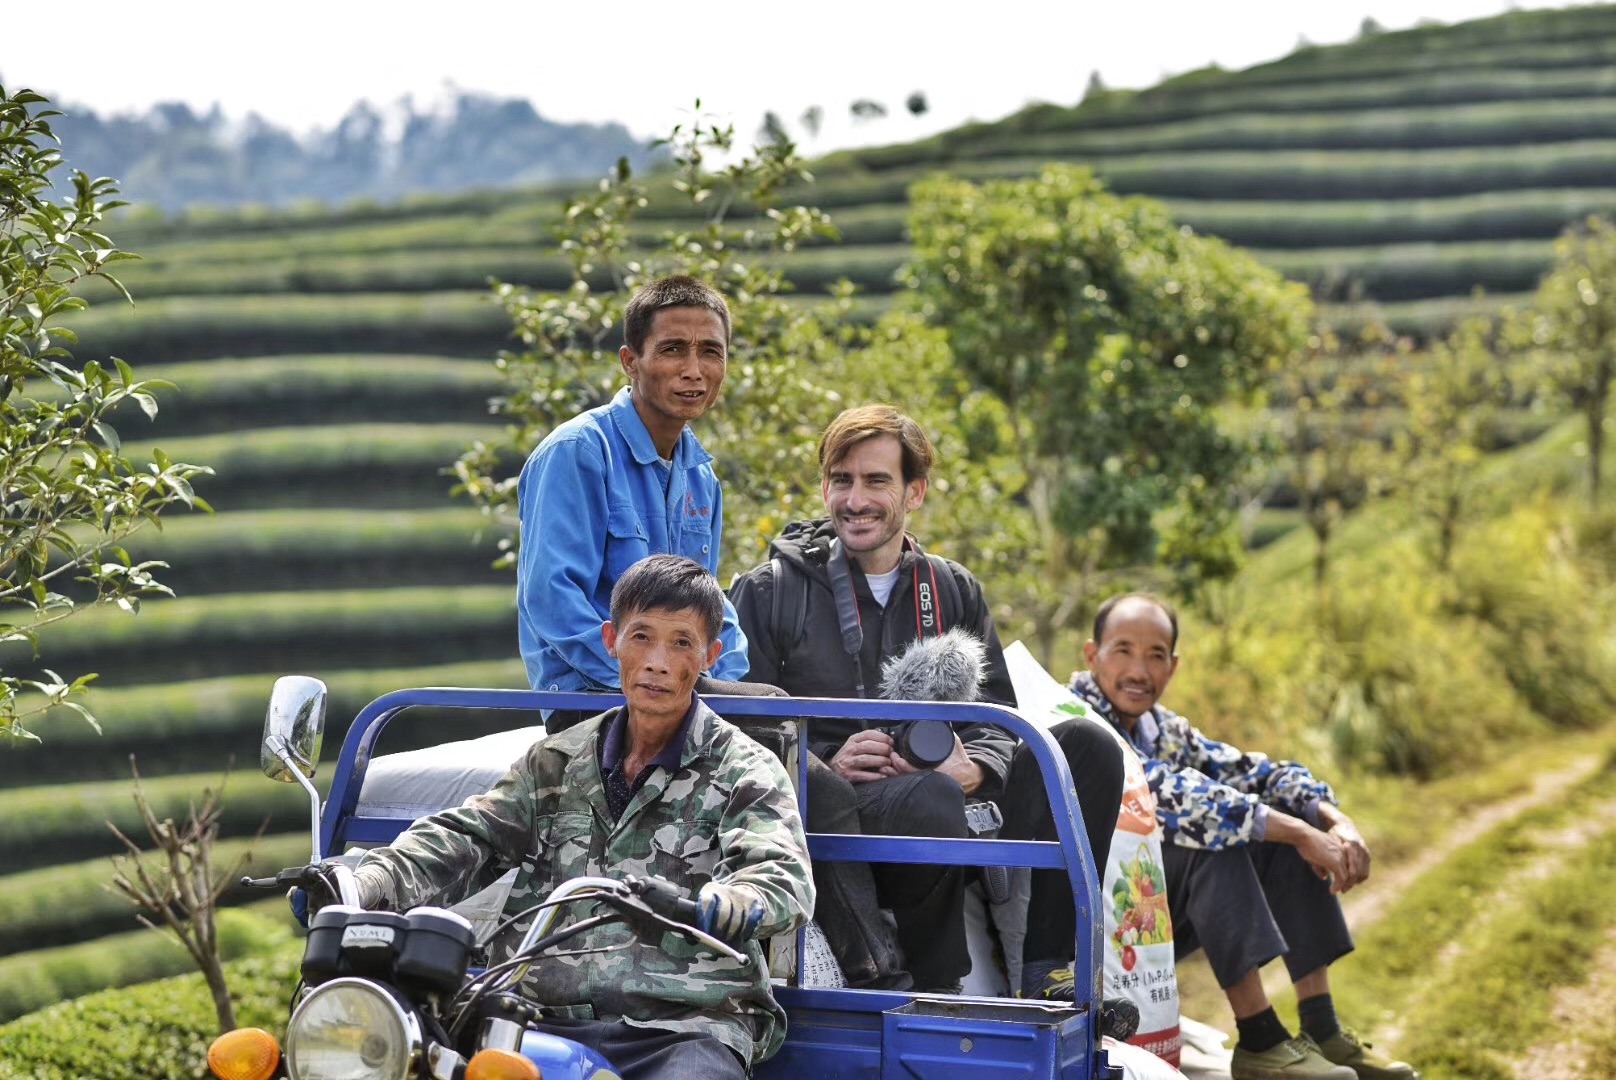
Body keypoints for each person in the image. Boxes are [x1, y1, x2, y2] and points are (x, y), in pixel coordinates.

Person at [352, 555, 814, 1080]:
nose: (657, 661)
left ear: (709, 656)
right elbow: (465, 835)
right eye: (641, 636)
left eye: (681, 642)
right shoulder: (554, 760)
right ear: (611, 640)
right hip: (537, 1022)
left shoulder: (745, 767)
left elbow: (783, 876)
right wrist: (366, 880)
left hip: (685, 1027)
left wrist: (729, 901)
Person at [731, 404, 1123, 997]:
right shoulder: (770, 590)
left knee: (1088, 746)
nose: (855, 499)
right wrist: (825, 763)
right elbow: (743, 727)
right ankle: (938, 986)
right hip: (836, 814)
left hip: (954, 806)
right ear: (823, 487)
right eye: (842, 480)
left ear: (914, 492)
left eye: (876, 481)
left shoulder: (951, 587)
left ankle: (1049, 969)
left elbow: (1000, 718)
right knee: (928, 794)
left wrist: (977, 767)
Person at [1071, 592, 1414, 1080]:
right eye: (1123, 650)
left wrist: (1332, 818)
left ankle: (1323, 1028)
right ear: (1092, 655)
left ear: (1173, 665)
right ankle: (1260, 1040)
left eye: (1155, 655)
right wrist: (1297, 831)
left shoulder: (1159, 726)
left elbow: (1253, 773)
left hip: (1144, 913)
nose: (1139, 670)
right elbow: (1165, 791)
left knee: (1282, 829)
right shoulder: (1072, 717)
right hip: (1085, 923)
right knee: (1223, 837)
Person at [516, 275, 749, 733]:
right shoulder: (579, 451)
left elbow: (711, 603)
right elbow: (552, 600)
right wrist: (650, 684)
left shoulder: (701, 475)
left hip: (683, 701)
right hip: (594, 703)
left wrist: (730, 682)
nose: (693, 370)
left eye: (710, 352)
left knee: (791, 737)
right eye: (672, 349)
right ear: (630, 362)